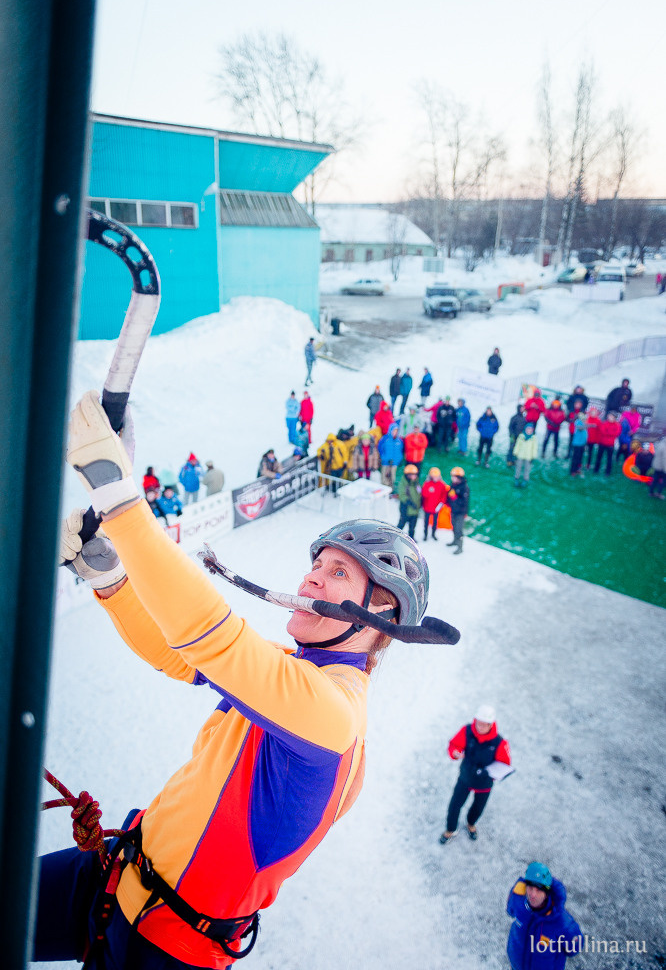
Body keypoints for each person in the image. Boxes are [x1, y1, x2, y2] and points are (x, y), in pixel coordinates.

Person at [44, 390, 431, 969]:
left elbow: (210, 634)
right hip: (117, 873)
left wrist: (121, 501)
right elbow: (183, 655)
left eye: (340, 571)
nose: (313, 577)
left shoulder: (331, 714)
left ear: (383, 616)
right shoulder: (291, 678)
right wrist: (113, 580)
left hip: (166, 948)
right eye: (317, 563)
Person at [439, 704, 510, 843]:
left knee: (478, 807)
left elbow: (504, 764)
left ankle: (471, 824)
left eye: (484, 725)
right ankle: (450, 830)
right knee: (455, 805)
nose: (479, 727)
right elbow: (454, 745)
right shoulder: (467, 731)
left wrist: (492, 774)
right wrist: (454, 753)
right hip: (465, 778)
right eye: (478, 723)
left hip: (484, 783)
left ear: (491, 725)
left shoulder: (499, 743)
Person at [506, 863, 582, 969]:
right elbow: (510, 910)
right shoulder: (518, 898)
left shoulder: (562, 922)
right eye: (530, 888)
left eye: (538, 890)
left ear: (546, 893)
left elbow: (574, 949)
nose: (532, 894)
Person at [445, 467, 469, 555]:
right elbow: (449, 495)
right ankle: (455, 541)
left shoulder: (464, 488)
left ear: (459, 477)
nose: (452, 479)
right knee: (454, 526)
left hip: (460, 513)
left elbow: (464, 502)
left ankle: (460, 547)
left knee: (459, 529)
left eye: (454, 477)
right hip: (453, 511)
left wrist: (454, 498)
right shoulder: (453, 485)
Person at [421, 467, 448, 541]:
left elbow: (443, 496)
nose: (435, 478)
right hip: (427, 507)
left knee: (435, 522)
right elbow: (424, 494)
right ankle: (425, 535)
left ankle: (433, 534)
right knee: (426, 522)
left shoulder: (442, 485)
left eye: (437, 476)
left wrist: (440, 505)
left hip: (436, 508)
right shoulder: (427, 483)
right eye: (434, 476)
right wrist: (429, 491)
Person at [397, 464, 421, 539]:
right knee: (401, 524)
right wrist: (409, 503)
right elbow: (402, 495)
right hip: (406, 509)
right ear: (408, 475)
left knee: (412, 526)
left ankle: (411, 538)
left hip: (415, 510)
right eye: (412, 475)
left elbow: (419, 493)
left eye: (415, 474)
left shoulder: (416, 483)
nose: (414, 476)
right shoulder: (403, 483)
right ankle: (396, 536)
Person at [377, 425, 403, 491]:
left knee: (392, 477)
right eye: (394, 430)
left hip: (394, 463)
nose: (395, 432)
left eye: (396, 431)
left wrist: (398, 460)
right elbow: (380, 449)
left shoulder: (399, 441)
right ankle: (383, 490)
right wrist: (384, 458)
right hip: (386, 462)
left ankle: (390, 490)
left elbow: (401, 451)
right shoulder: (385, 439)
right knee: (384, 477)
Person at [513, 423, 538, 487]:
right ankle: (516, 478)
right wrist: (515, 453)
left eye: (530, 429)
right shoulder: (521, 436)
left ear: (532, 430)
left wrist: (533, 456)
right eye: (528, 429)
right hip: (520, 455)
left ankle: (525, 479)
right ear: (525, 429)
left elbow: (534, 448)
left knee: (527, 468)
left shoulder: (533, 438)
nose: (529, 431)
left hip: (528, 456)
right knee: (518, 467)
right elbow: (517, 445)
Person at [569, 411, 587, 477]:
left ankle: (577, 469)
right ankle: (572, 470)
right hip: (577, 444)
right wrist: (590, 425)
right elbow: (580, 428)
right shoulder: (578, 422)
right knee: (575, 458)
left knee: (580, 457)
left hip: (582, 444)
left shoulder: (584, 422)